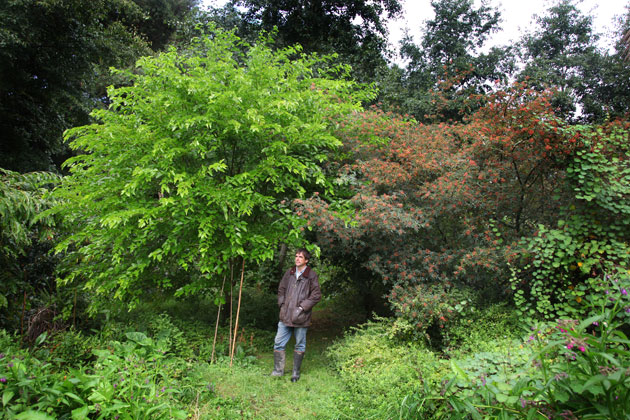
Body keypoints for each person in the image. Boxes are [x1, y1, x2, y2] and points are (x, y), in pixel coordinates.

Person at [270, 248, 321, 382]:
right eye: (296, 256)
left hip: (301, 317)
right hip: (285, 315)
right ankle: (277, 371)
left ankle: (295, 373)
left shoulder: (311, 275)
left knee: (300, 344)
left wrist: (302, 307)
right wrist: (282, 305)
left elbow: (316, 295)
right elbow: (281, 289)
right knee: (278, 342)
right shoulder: (290, 273)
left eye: (300, 257)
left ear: (306, 260)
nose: (297, 259)